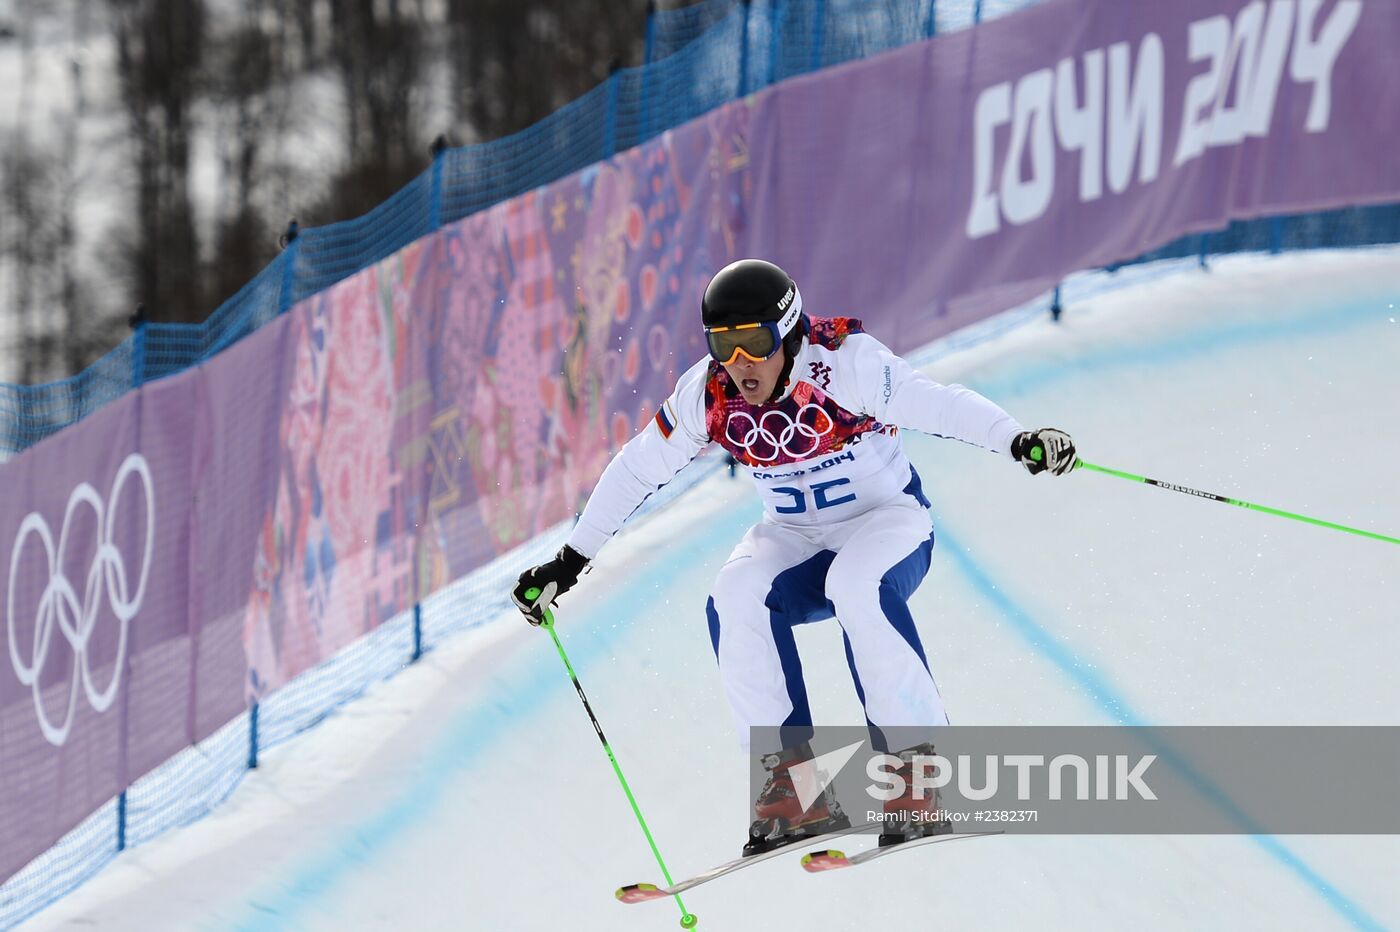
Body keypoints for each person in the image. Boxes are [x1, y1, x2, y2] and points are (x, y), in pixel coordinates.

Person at [513, 259, 1077, 854]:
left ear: (786, 331)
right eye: (723, 346)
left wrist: (1017, 438)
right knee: (735, 594)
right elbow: (637, 468)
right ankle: (791, 789)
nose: (740, 364)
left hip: (887, 523)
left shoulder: (844, 364)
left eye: (755, 343)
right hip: (797, 537)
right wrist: (569, 561)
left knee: (857, 586)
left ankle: (918, 770)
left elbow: (936, 403)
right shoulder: (709, 393)